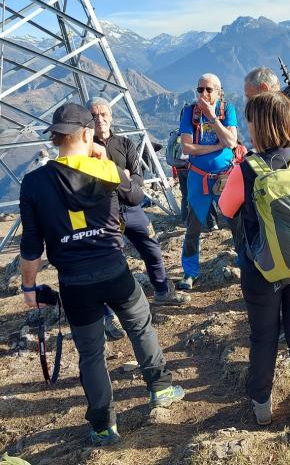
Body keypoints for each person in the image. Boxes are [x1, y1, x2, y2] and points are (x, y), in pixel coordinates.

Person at [19, 103, 185, 446]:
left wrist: (28, 286)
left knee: (91, 353)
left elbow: (32, 245)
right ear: (84, 133)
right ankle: (161, 388)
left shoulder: (33, 183)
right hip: (113, 270)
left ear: (55, 137)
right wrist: (101, 155)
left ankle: (103, 425)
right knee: (140, 325)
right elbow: (135, 195)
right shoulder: (105, 171)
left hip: (74, 282)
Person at [219, 92, 290, 430]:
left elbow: (225, 209)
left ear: (260, 127)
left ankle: (262, 406)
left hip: (261, 268)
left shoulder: (247, 168)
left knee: (263, 336)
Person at [86, 97, 189, 341]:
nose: (99, 119)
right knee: (107, 262)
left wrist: (118, 181)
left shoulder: (124, 143)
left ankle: (163, 290)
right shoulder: (85, 147)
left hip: (131, 209)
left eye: (103, 114)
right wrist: (123, 179)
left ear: (110, 116)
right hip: (103, 214)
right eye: (94, 115)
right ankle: (108, 316)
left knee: (151, 248)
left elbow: (138, 180)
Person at [177, 73, 238, 290]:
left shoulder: (226, 110)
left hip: (225, 177)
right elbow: (187, 148)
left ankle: (244, 261)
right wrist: (216, 146)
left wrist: (212, 117)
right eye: (200, 89)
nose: (203, 93)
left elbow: (231, 141)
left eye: (209, 89)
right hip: (198, 178)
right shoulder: (188, 112)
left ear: (219, 92)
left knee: (235, 222)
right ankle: (189, 272)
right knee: (193, 227)